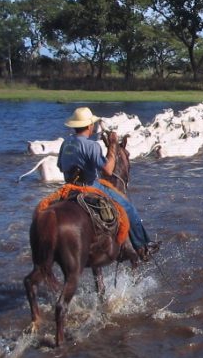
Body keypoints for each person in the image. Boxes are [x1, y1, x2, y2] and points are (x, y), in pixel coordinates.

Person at [57, 106, 157, 261]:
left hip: (68, 188)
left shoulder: (65, 144)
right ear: (90, 126)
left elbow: (60, 166)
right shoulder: (91, 146)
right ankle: (143, 246)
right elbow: (109, 170)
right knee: (128, 208)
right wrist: (112, 145)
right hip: (89, 187)